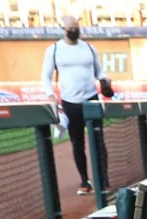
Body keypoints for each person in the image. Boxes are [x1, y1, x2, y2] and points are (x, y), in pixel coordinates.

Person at [43, 14, 108, 196]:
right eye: (70, 28)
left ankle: (103, 180)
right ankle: (85, 181)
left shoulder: (88, 48)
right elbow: (45, 76)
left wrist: (104, 81)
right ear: (63, 29)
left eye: (76, 27)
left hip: (91, 98)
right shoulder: (55, 50)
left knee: (98, 141)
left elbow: (100, 71)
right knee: (77, 142)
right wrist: (50, 95)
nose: (74, 31)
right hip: (71, 102)